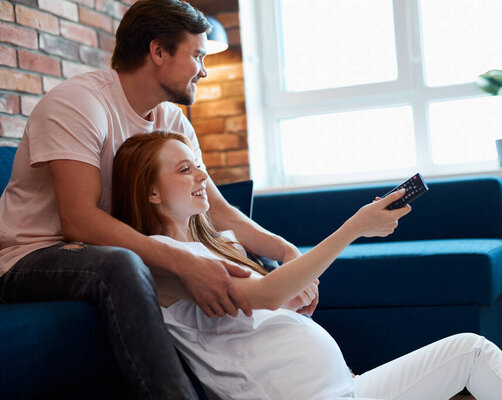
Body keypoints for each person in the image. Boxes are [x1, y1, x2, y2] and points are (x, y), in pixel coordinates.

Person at [0, 1, 306, 399]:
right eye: (197, 54)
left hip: (97, 250)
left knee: (242, 260)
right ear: (158, 52)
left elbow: (218, 210)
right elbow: (77, 220)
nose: (204, 68)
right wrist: (183, 261)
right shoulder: (78, 103)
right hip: (31, 257)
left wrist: (286, 253)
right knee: (125, 263)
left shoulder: (172, 120)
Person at [112, 130, 502, 400]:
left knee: (471, 351)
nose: (202, 177)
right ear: (150, 192)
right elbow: (259, 295)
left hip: (347, 387)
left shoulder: (215, 244)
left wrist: (290, 305)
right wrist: (353, 227)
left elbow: (251, 313)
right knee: (470, 353)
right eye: (185, 169)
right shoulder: (164, 259)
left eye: (198, 167)